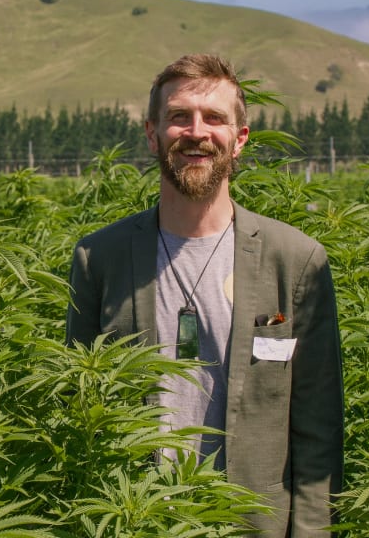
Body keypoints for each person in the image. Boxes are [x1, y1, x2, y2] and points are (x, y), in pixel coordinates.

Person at [66, 54, 343, 536]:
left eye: (214, 118)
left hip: (253, 523)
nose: (197, 132)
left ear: (238, 140)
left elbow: (318, 431)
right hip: (138, 521)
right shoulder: (99, 258)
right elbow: (76, 404)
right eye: (179, 117)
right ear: (153, 135)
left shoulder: (296, 260)